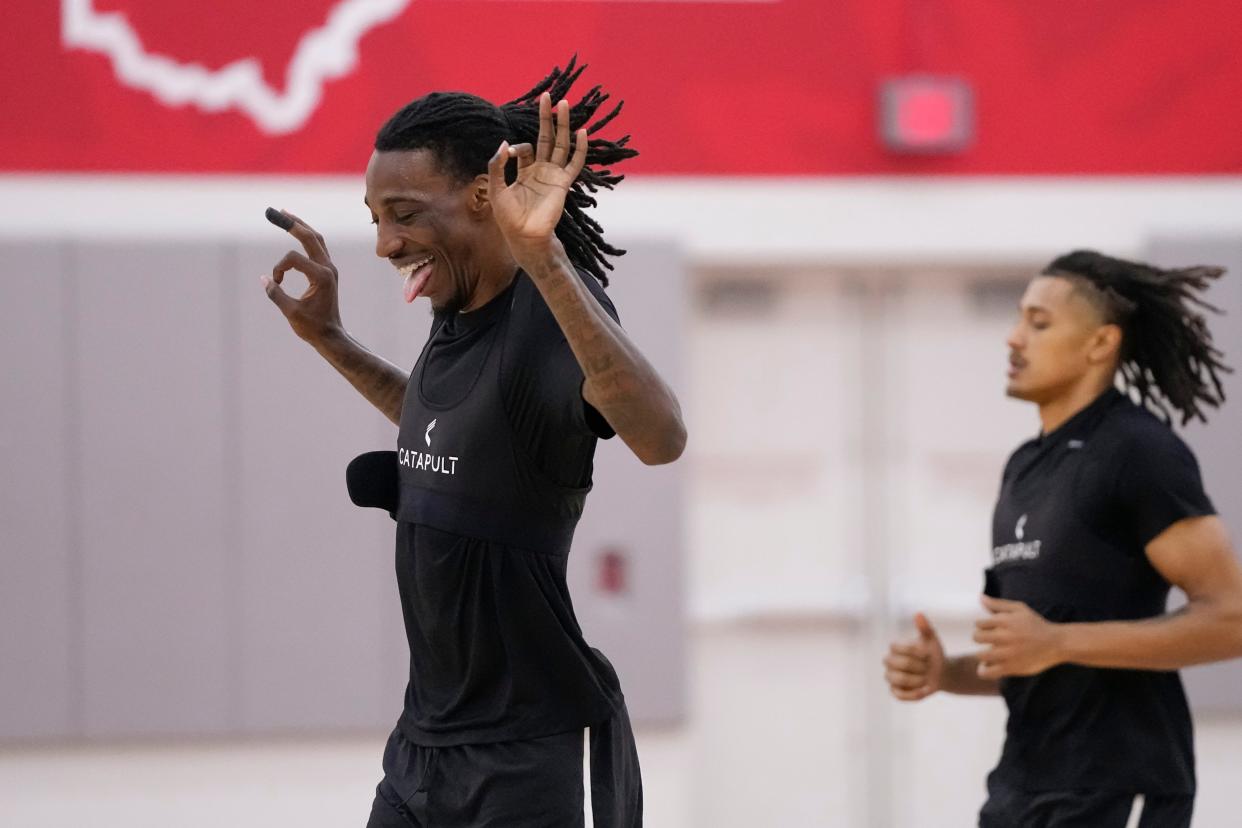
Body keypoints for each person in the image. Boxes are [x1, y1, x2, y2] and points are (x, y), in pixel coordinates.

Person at [261, 58, 685, 827]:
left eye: (406, 213)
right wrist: (328, 337)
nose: (386, 242)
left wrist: (545, 256)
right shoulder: (455, 316)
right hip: (422, 748)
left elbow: (660, 438)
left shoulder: (551, 312)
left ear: (487, 196)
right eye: (375, 217)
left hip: (518, 760)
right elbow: (446, 428)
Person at [883, 251, 1242, 827]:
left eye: (1039, 323)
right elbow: (1032, 650)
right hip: (1023, 786)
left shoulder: (1139, 451)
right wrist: (946, 673)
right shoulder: (1024, 466)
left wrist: (1059, 641)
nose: (1014, 338)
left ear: (1101, 344)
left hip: (1119, 786)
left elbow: (1232, 620)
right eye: (1019, 319)